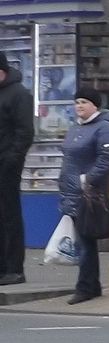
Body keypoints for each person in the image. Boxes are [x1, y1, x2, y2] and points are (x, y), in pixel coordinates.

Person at [59, 87, 109, 304]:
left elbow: (106, 158)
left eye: (84, 102)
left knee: (86, 241)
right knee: (84, 242)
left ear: (95, 105)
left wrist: (87, 179)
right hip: (71, 192)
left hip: (89, 195)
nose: (79, 106)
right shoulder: (75, 127)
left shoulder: (104, 128)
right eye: (77, 102)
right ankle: (91, 285)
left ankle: (85, 287)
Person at [0, 52, 34, 285]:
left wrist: (11, 159)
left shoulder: (18, 94)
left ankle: (14, 269)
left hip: (7, 164)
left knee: (9, 215)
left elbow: (24, 132)